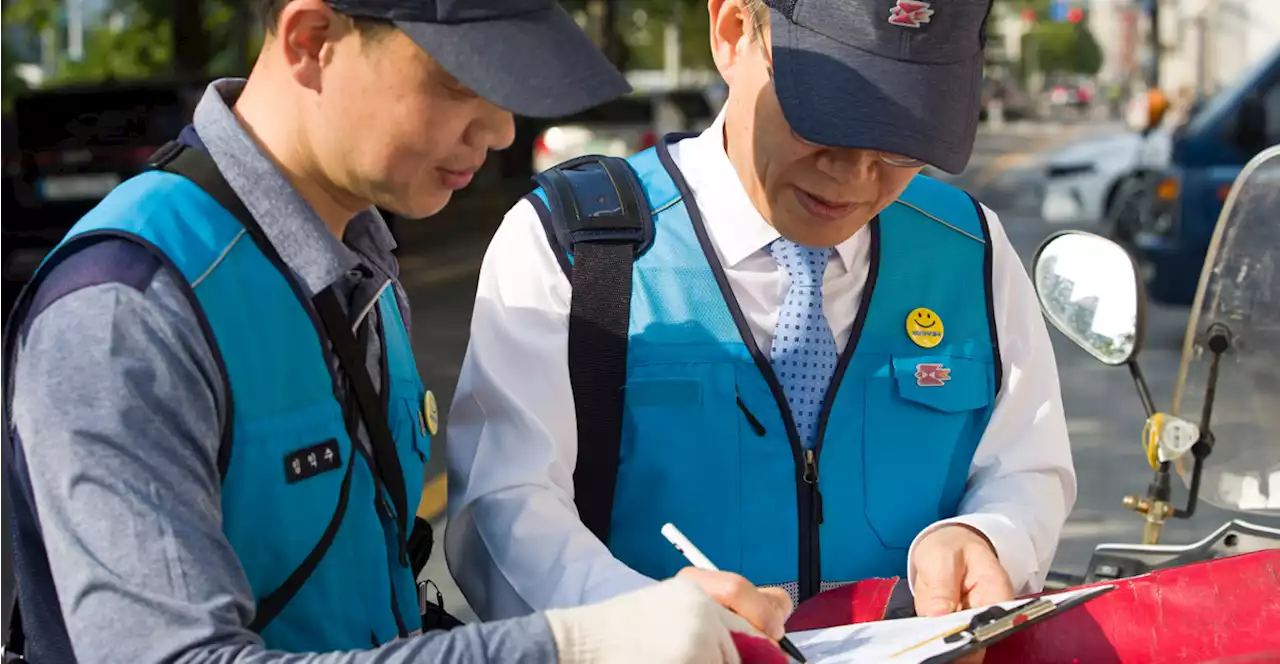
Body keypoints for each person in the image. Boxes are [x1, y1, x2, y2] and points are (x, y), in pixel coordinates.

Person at [0, 0, 792, 661]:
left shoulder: (359, 263)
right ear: (312, 42)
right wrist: (576, 645)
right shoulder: (125, 311)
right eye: (459, 82)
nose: (500, 130)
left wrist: (630, 620)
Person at [445, 0, 1077, 626]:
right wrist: (637, 621)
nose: (857, 175)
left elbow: (1027, 464)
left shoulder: (970, 249)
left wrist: (990, 536)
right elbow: (505, 506)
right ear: (732, 32)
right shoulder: (575, 247)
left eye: (906, 139)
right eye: (827, 118)